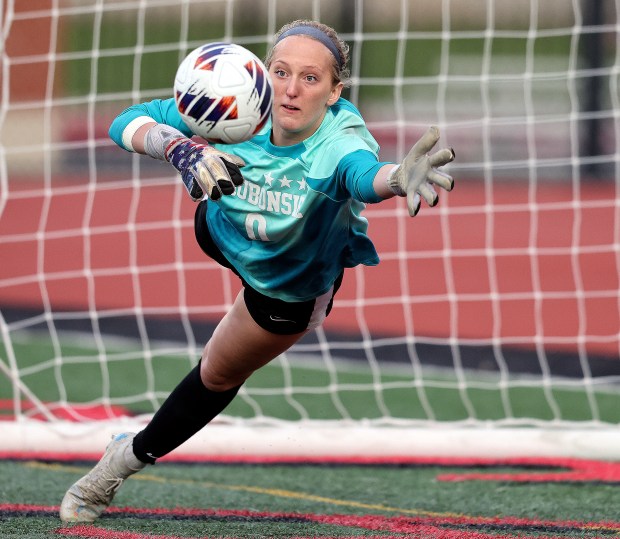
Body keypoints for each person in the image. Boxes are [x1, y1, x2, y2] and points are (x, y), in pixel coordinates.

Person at [59, 19, 455, 523]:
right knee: (211, 184)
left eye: (310, 79)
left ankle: (118, 464)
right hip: (219, 233)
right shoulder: (240, 103)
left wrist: (396, 179)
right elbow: (128, 121)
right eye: (281, 71)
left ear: (335, 91)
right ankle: (216, 191)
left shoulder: (339, 138)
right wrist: (181, 147)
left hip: (285, 288)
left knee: (217, 374)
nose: (290, 89)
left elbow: (361, 175)